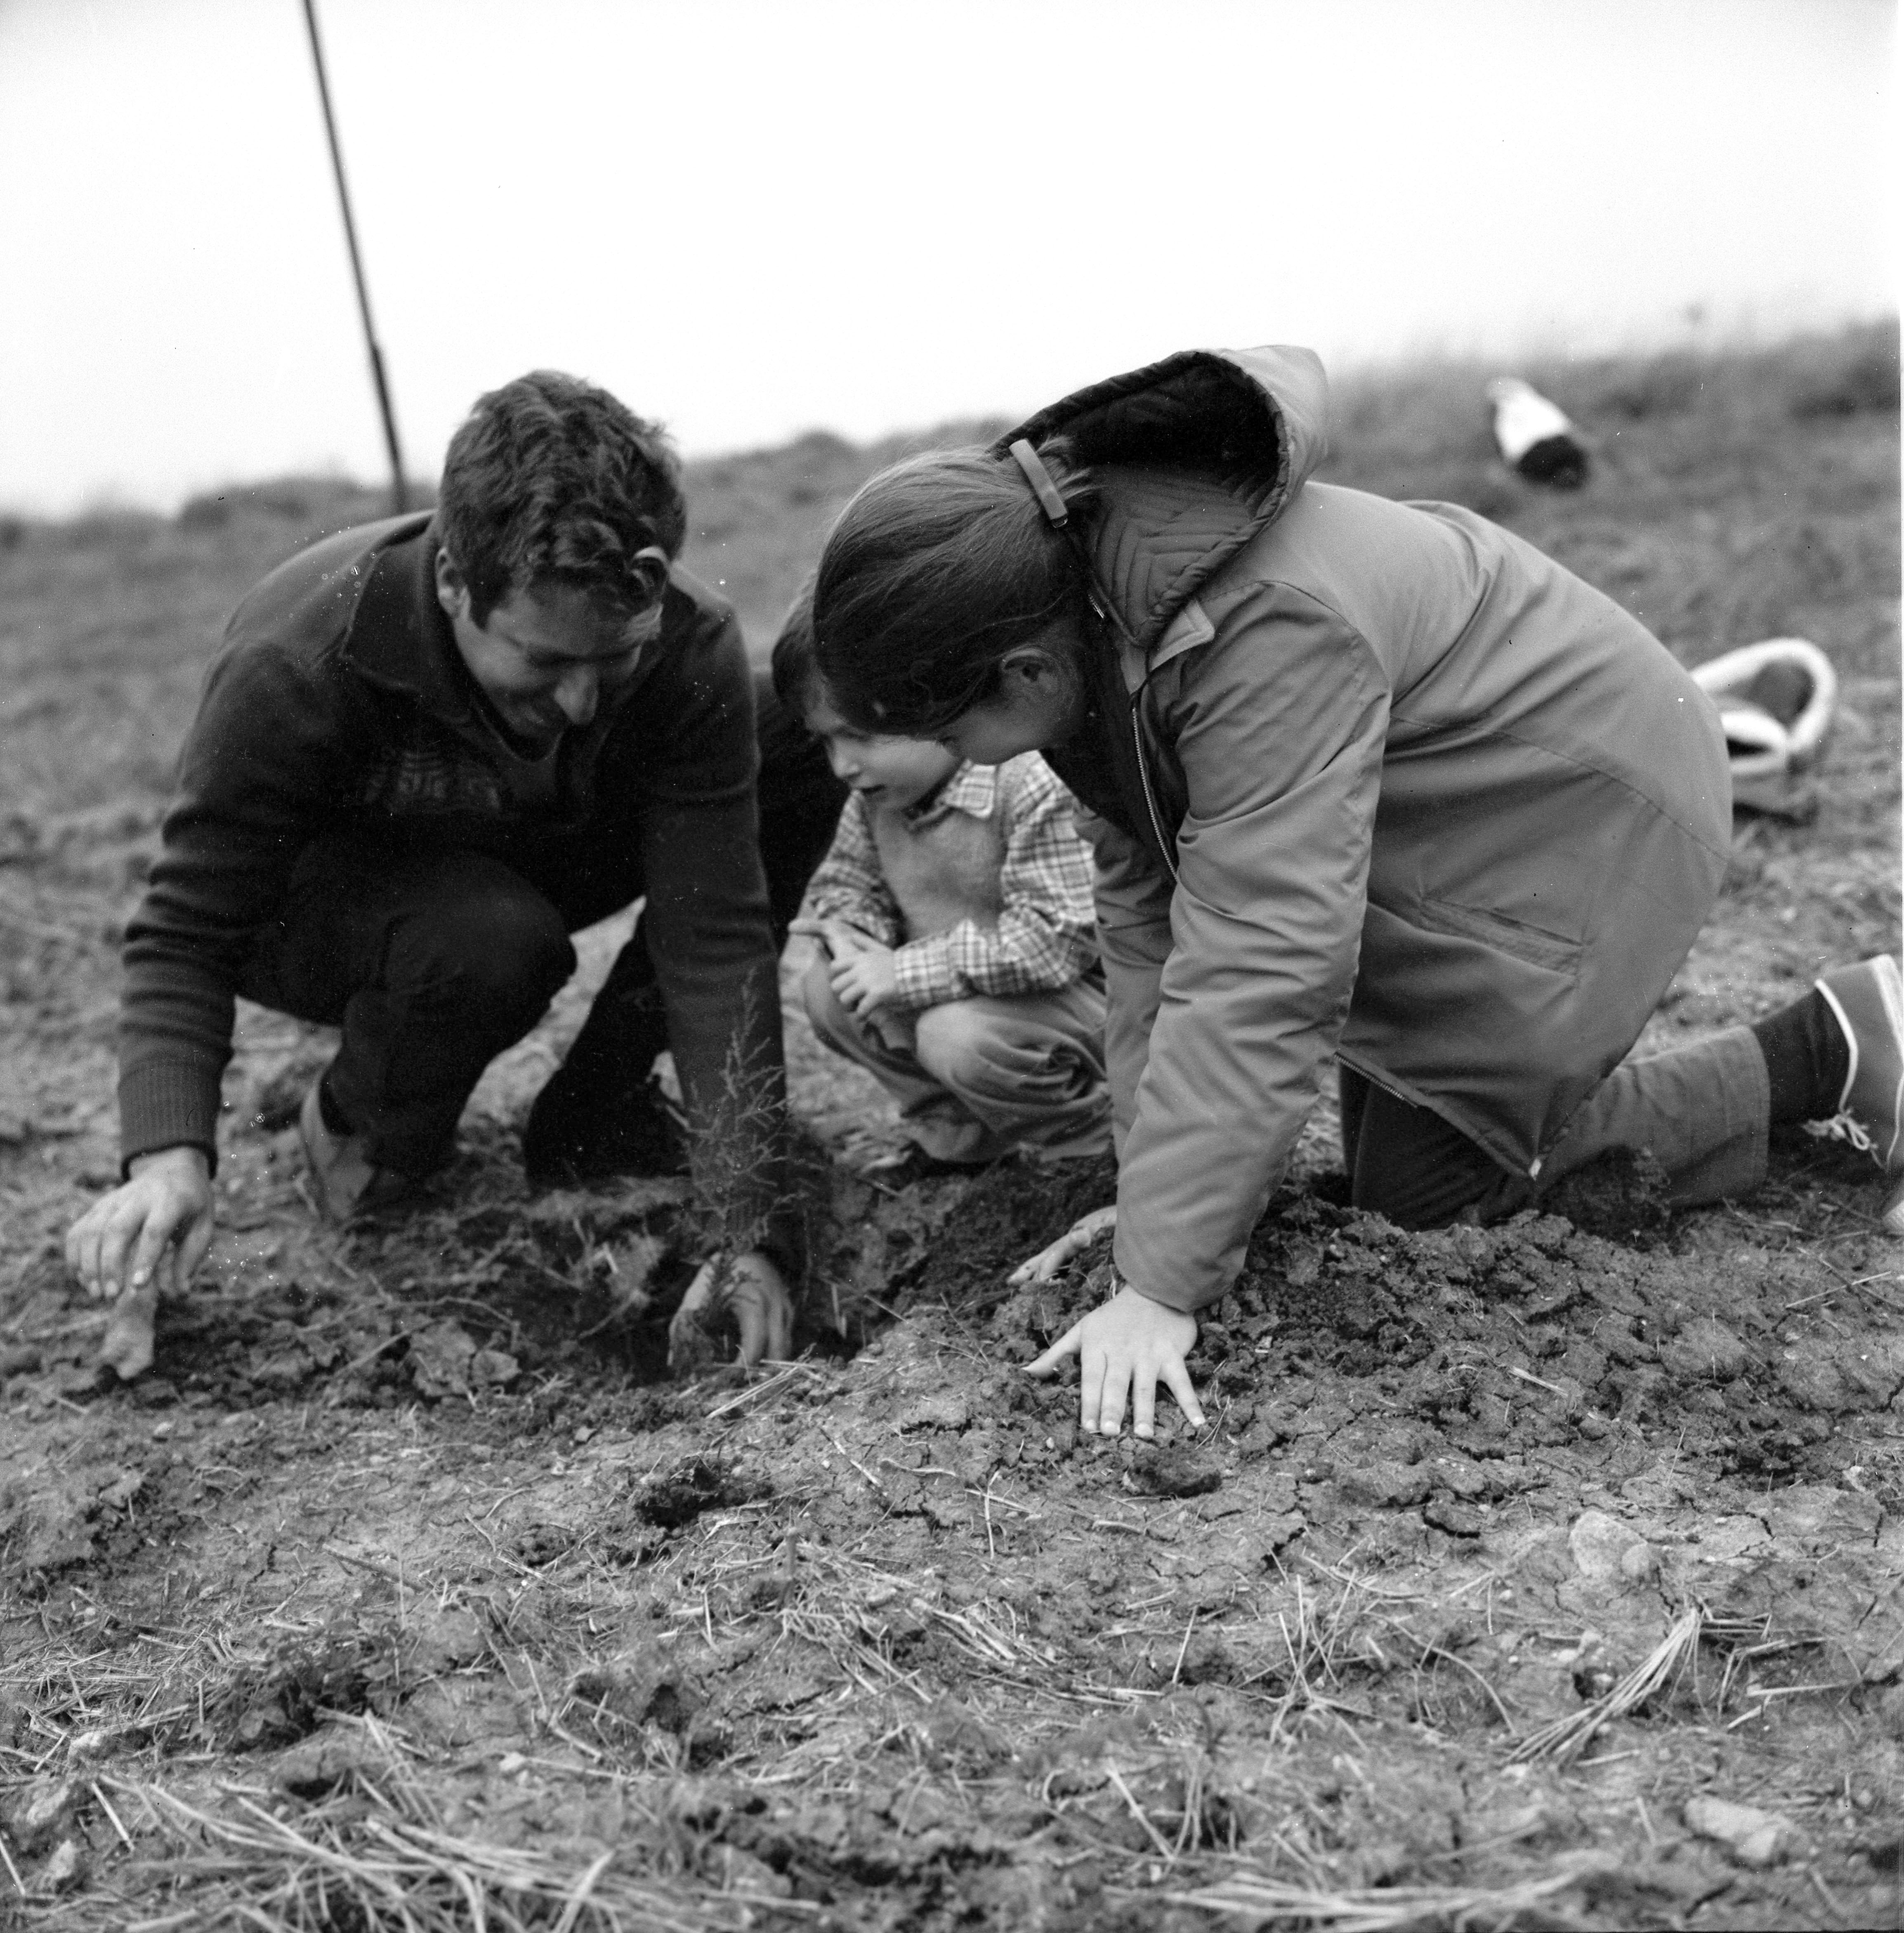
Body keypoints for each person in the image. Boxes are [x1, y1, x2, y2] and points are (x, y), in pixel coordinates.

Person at [808, 343, 1904, 1442]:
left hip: (1582, 802)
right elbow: (1149, 934)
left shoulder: (1256, 631)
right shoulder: (1088, 616)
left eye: (953, 735)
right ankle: (1809, 1043)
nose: (970, 764)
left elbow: (1264, 956)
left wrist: (1160, 1286)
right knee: (1389, 1157)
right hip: (1458, 810)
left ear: (1025, 675)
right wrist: (1152, 1206)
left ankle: (1830, 1043)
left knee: (1432, 1206)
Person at [64, 371, 845, 1371]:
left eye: (613, 664)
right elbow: (184, 933)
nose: (578, 702)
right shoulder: (302, 659)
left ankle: (594, 1109)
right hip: (330, 903)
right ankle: (359, 1130)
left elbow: (718, 936)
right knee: (487, 939)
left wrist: (750, 1228)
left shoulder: (679, 645)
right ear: (451, 585)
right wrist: (170, 1158)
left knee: (782, 732)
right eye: (542, 660)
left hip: (520, 850)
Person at [771, 603, 1109, 1173]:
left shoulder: (1027, 785)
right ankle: (960, 1139)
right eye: (825, 743)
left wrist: (902, 973)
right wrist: (855, 933)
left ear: (931, 704)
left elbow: (1054, 942)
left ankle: (1091, 1150)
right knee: (829, 991)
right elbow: (848, 882)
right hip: (957, 996)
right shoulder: (877, 800)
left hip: (1072, 1010)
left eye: (859, 736)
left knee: (954, 1035)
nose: (843, 766)